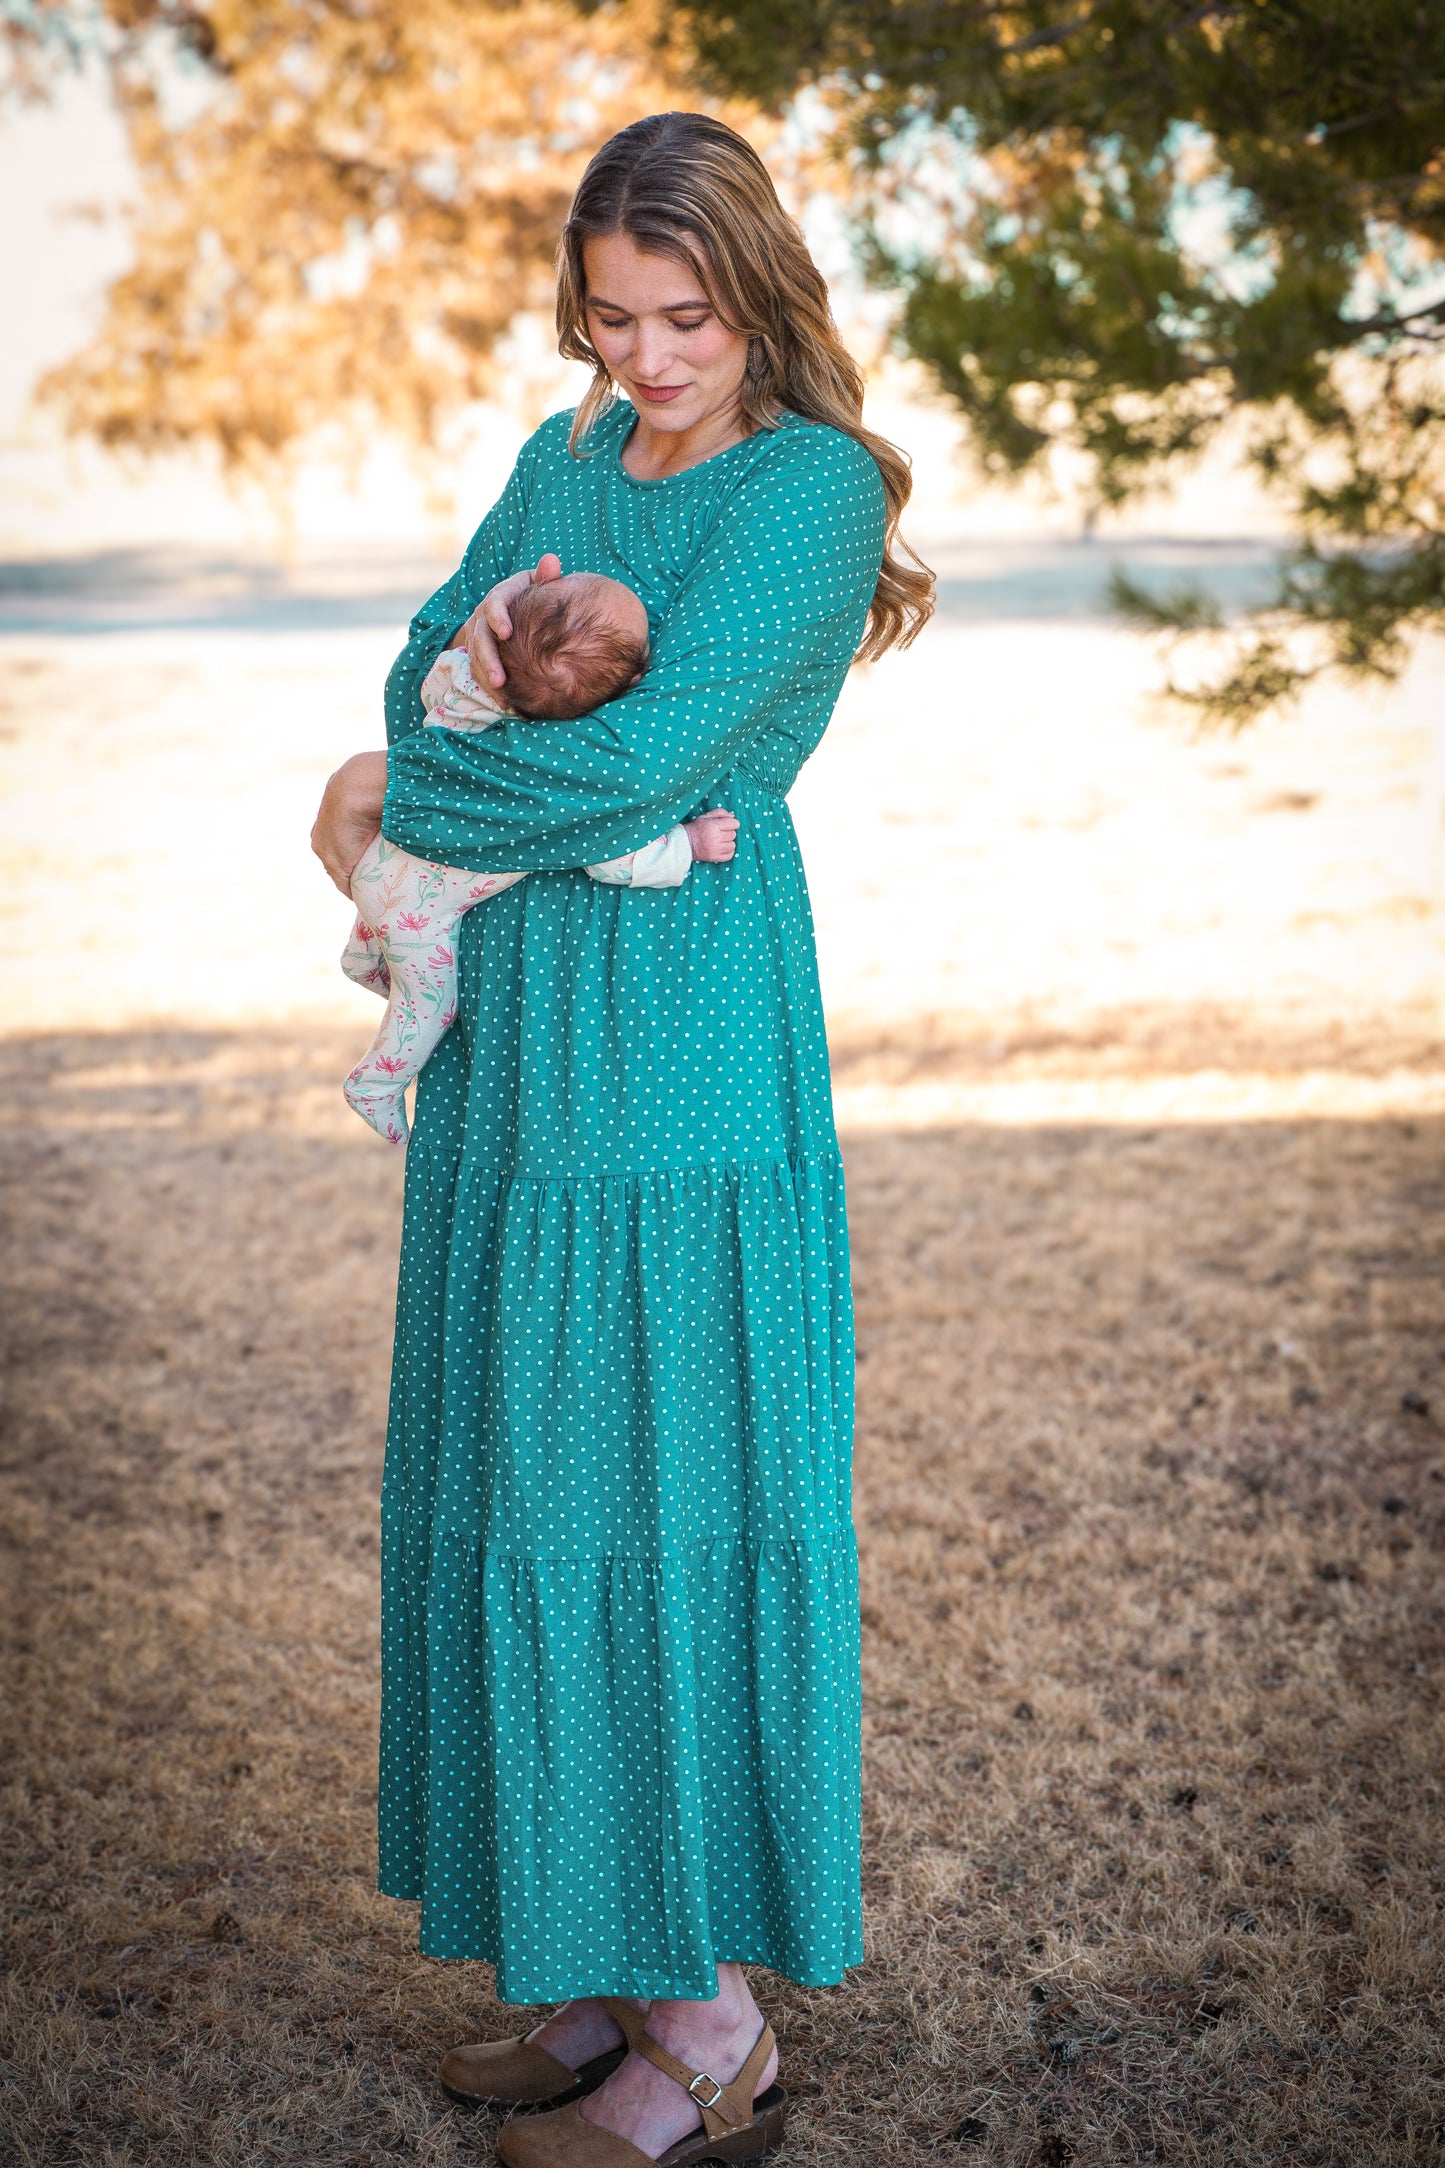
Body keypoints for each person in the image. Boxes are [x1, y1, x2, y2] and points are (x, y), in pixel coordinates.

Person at [310, 109, 933, 2167]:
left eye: (684, 314)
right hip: (513, 1044)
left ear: (757, 294)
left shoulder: (807, 491)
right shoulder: (566, 459)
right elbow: (426, 666)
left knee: (646, 1488)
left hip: (674, 1043)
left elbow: (642, 763)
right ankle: (586, 1962)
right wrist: (414, 740)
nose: (647, 354)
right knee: (515, 1477)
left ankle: (705, 2027)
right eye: (611, 311)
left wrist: (382, 808)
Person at [340, 571, 738, 1144]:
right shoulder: (549, 780)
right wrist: (689, 844)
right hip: (417, 904)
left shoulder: (462, 682)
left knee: (397, 924)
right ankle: (374, 1083)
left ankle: (365, 958)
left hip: (381, 864)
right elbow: (610, 857)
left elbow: (427, 687)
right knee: (433, 1002)